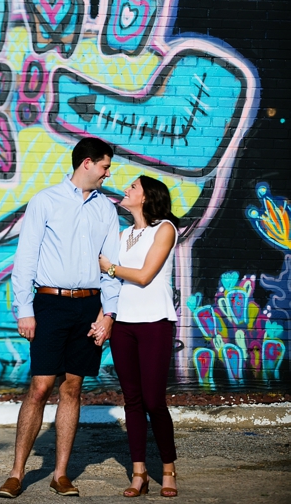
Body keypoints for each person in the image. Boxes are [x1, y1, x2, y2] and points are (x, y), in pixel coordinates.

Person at [0, 137, 122, 499]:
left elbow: (110, 267)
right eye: (104, 166)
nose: (107, 173)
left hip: (88, 306)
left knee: (73, 387)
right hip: (49, 304)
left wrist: (109, 313)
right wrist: (24, 310)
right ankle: (17, 473)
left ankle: (61, 474)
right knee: (39, 387)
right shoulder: (45, 201)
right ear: (86, 163)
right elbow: (25, 260)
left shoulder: (106, 210)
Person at [98, 176, 180, 498]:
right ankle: (139, 473)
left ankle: (169, 469)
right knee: (132, 400)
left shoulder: (166, 230)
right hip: (124, 326)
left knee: (154, 401)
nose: (125, 190)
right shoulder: (123, 235)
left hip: (155, 323)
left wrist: (110, 268)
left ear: (146, 198)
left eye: (133, 187)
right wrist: (103, 318)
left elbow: (145, 276)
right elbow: (114, 288)